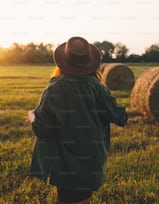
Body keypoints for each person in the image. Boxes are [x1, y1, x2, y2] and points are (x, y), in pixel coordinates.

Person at [28, 36, 128, 203]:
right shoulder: (97, 87)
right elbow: (121, 117)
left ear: (63, 61)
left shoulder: (54, 88)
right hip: (92, 161)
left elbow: (42, 129)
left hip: (65, 164)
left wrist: (32, 115)